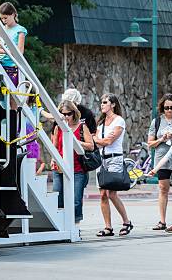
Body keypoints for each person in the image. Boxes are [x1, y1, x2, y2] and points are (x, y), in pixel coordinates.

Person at [95, 93, 133, 237]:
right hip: (101, 159)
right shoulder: (100, 123)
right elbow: (97, 140)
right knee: (103, 194)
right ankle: (108, 227)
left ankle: (126, 221)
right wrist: (98, 139)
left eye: (105, 102)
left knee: (111, 193)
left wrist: (98, 139)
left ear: (113, 104)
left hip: (114, 159)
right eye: (101, 102)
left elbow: (108, 141)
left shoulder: (119, 121)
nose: (102, 105)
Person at [51, 101, 95, 224]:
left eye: (68, 114)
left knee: (76, 199)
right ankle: (61, 225)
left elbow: (91, 146)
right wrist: (53, 159)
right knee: (58, 197)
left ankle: (75, 226)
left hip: (78, 169)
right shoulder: (58, 127)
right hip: (59, 167)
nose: (65, 117)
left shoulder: (82, 127)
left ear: (74, 113)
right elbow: (55, 146)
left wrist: (75, 141)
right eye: (62, 114)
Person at [147, 94, 172, 231]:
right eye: (166, 108)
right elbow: (150, 143)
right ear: (162, 108)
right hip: (162, 158)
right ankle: (162, 221)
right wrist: (161, 139)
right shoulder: (157, 122)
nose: (169, 110)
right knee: (163, 188)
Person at [0, 2, 27, 87]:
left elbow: (20, 52)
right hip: (1, 66)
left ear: (13, 14)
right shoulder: (1, 30)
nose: (3, 21)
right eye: (1, 18)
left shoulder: (20, 30)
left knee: (13, 96)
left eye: (5, 18)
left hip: (13, 67)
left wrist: (2, 51)